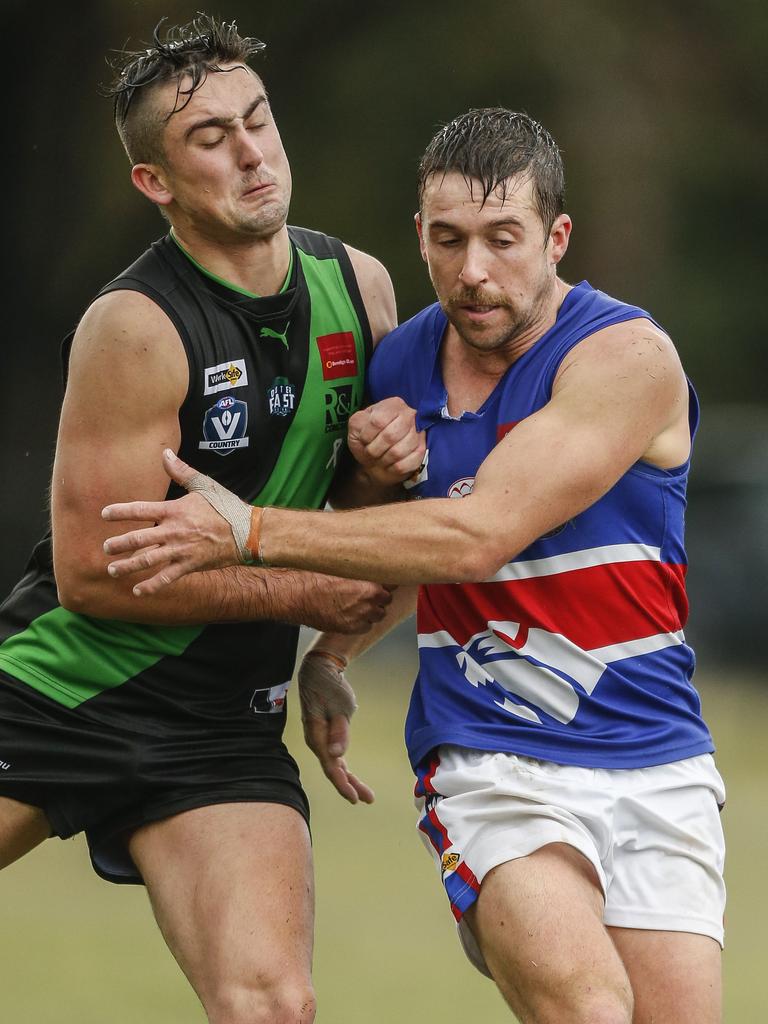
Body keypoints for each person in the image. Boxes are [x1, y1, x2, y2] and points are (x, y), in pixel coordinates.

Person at [103, 108, 727, 1024]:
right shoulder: (401, 363)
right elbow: (386, 541)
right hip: (491, 755)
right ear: (420, 240)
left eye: (502, 239)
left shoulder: (628, 358)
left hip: (656, 755)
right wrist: (333, 645)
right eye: (448, 240)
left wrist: (244, 529)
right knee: (589, 1008)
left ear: (556, 237)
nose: (473, 271)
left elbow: (474, 537)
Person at [0, 14, 425, 1024]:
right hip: (64, 687)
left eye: (258, 119)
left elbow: (377, 529)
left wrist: (380, 472)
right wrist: (312, 595)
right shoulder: (135, 327)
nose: (251, 151)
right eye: (210, 138)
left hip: (218, 724)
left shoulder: (359, 286)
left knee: (272, 1003)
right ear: (156, 181)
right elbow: (95, 571)